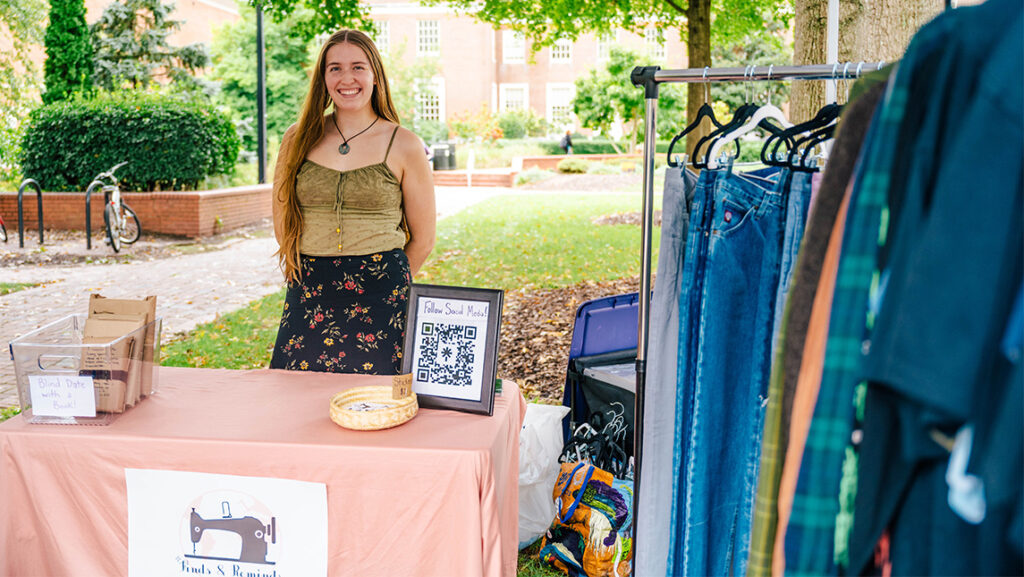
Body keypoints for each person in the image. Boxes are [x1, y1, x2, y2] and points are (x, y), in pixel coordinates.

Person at [270, 29, 436, 375]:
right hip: (310, 288)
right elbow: (282, 217)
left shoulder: (404, 144)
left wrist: (388, 285)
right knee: (296, 400)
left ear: (375, 75)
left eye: (358, 67)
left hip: (382, 292)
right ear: (323, 78)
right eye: (335, 68)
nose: (347, 78)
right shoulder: (296, 138)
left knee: (377, 406)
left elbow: (424, 238)